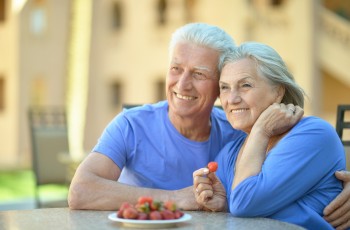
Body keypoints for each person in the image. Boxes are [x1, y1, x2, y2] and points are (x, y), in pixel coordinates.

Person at [68, 22, 350, 229]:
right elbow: (80, 191)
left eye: (199, 74)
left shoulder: (238, 134)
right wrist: (185, 199)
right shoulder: (231, 145)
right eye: (176, 68)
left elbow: (246, 201)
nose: (182, 84)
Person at [193, 42, 346, 229]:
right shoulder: (229, 153)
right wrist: (223, 204)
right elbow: (243, 213)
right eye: (224, 87)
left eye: (245, 85)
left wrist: (261, 130)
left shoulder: (314, 134)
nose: (231, 99)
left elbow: (244, 203)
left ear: (278, 92)